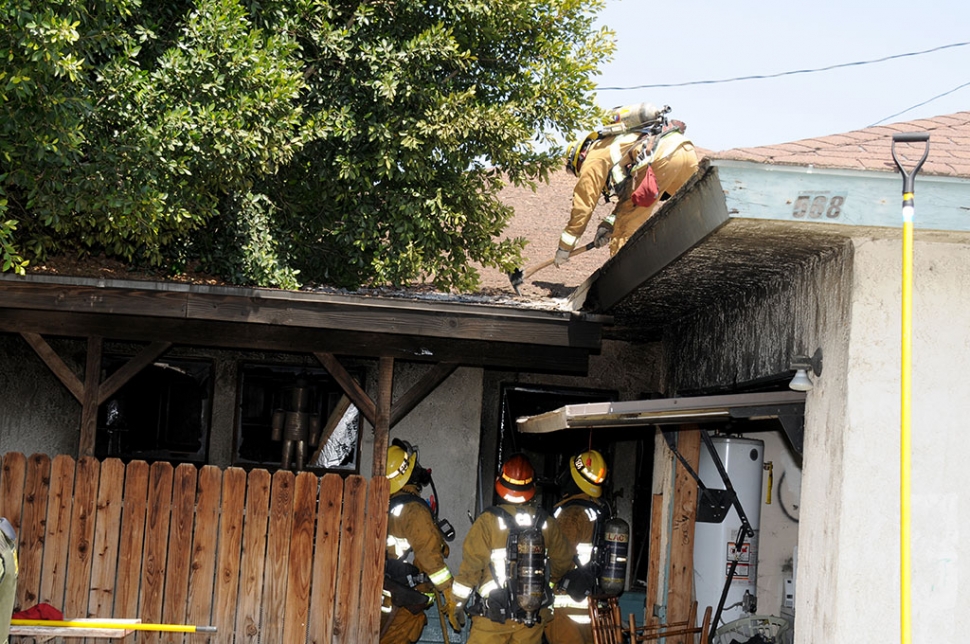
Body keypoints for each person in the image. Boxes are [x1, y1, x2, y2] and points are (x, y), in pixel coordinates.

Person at [452, 453, 574, 644]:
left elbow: (471, 569)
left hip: (493, 617)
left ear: (500, 483)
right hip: (531, 618)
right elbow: (564, 561)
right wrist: (540, 587)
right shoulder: (547, 523)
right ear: (532, 487)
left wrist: (456, 604)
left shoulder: (488, 521)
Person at [556, 103, 699, 263]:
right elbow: (629, 198)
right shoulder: (617, 142)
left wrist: (564, 248)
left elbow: (583, 207)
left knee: (625, 227)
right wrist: (608, 226)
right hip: (685, 150)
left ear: (579, 156)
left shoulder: (594, 157)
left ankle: (623, 275)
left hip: (662, 157)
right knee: (694, 210)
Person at [381, 439, 462, 644]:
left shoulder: (385, 507)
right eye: (413, 465)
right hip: (403, 600)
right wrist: (449, 593)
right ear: (407, 472)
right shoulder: (414, 510)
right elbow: (430, 558)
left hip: (385, 597)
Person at [544, 450, 610, 644]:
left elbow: (560, 558)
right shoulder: (597, 510)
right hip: (591, 606)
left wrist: (544, 586)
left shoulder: (571, 515)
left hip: (566, 607)